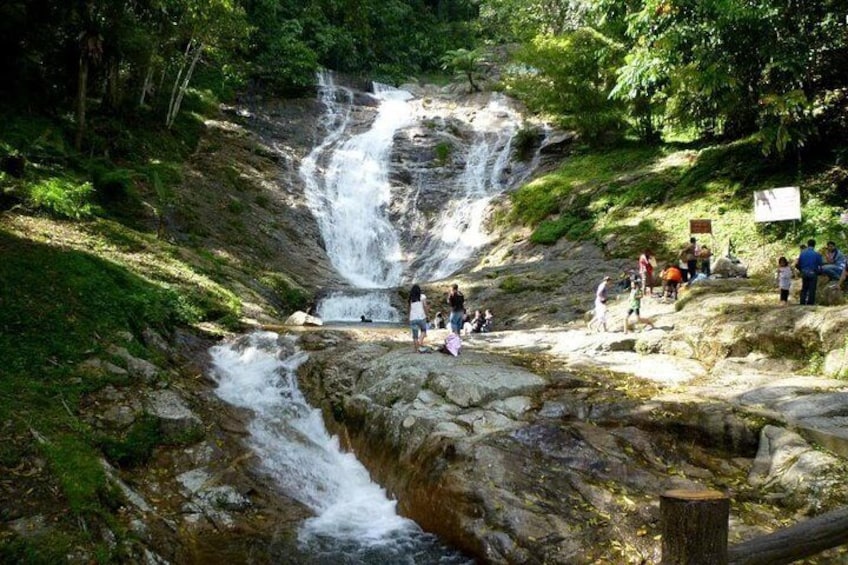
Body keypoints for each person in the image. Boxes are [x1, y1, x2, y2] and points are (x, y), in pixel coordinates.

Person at [796, 239, 824, 305]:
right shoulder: (817, 254)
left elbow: (798, 264)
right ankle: (810, 303)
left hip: (804, 272)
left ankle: (802, 302)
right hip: (813, 273)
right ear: (814, 245)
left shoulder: (802, 254)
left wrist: (801, 271)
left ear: (807, 244)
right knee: (812, 289)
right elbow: (820, 265)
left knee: (804, 288)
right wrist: (820, 272)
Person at [408, 284, 429, 352]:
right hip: (421, 317)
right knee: (423, 331)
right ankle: (420, 342)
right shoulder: (423, 297)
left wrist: (409, 317)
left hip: (413, 318)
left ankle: (416, 350)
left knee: (415, 336)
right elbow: (425, 306)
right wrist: (427, 314)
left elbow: (410, 309)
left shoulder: (411, 299)